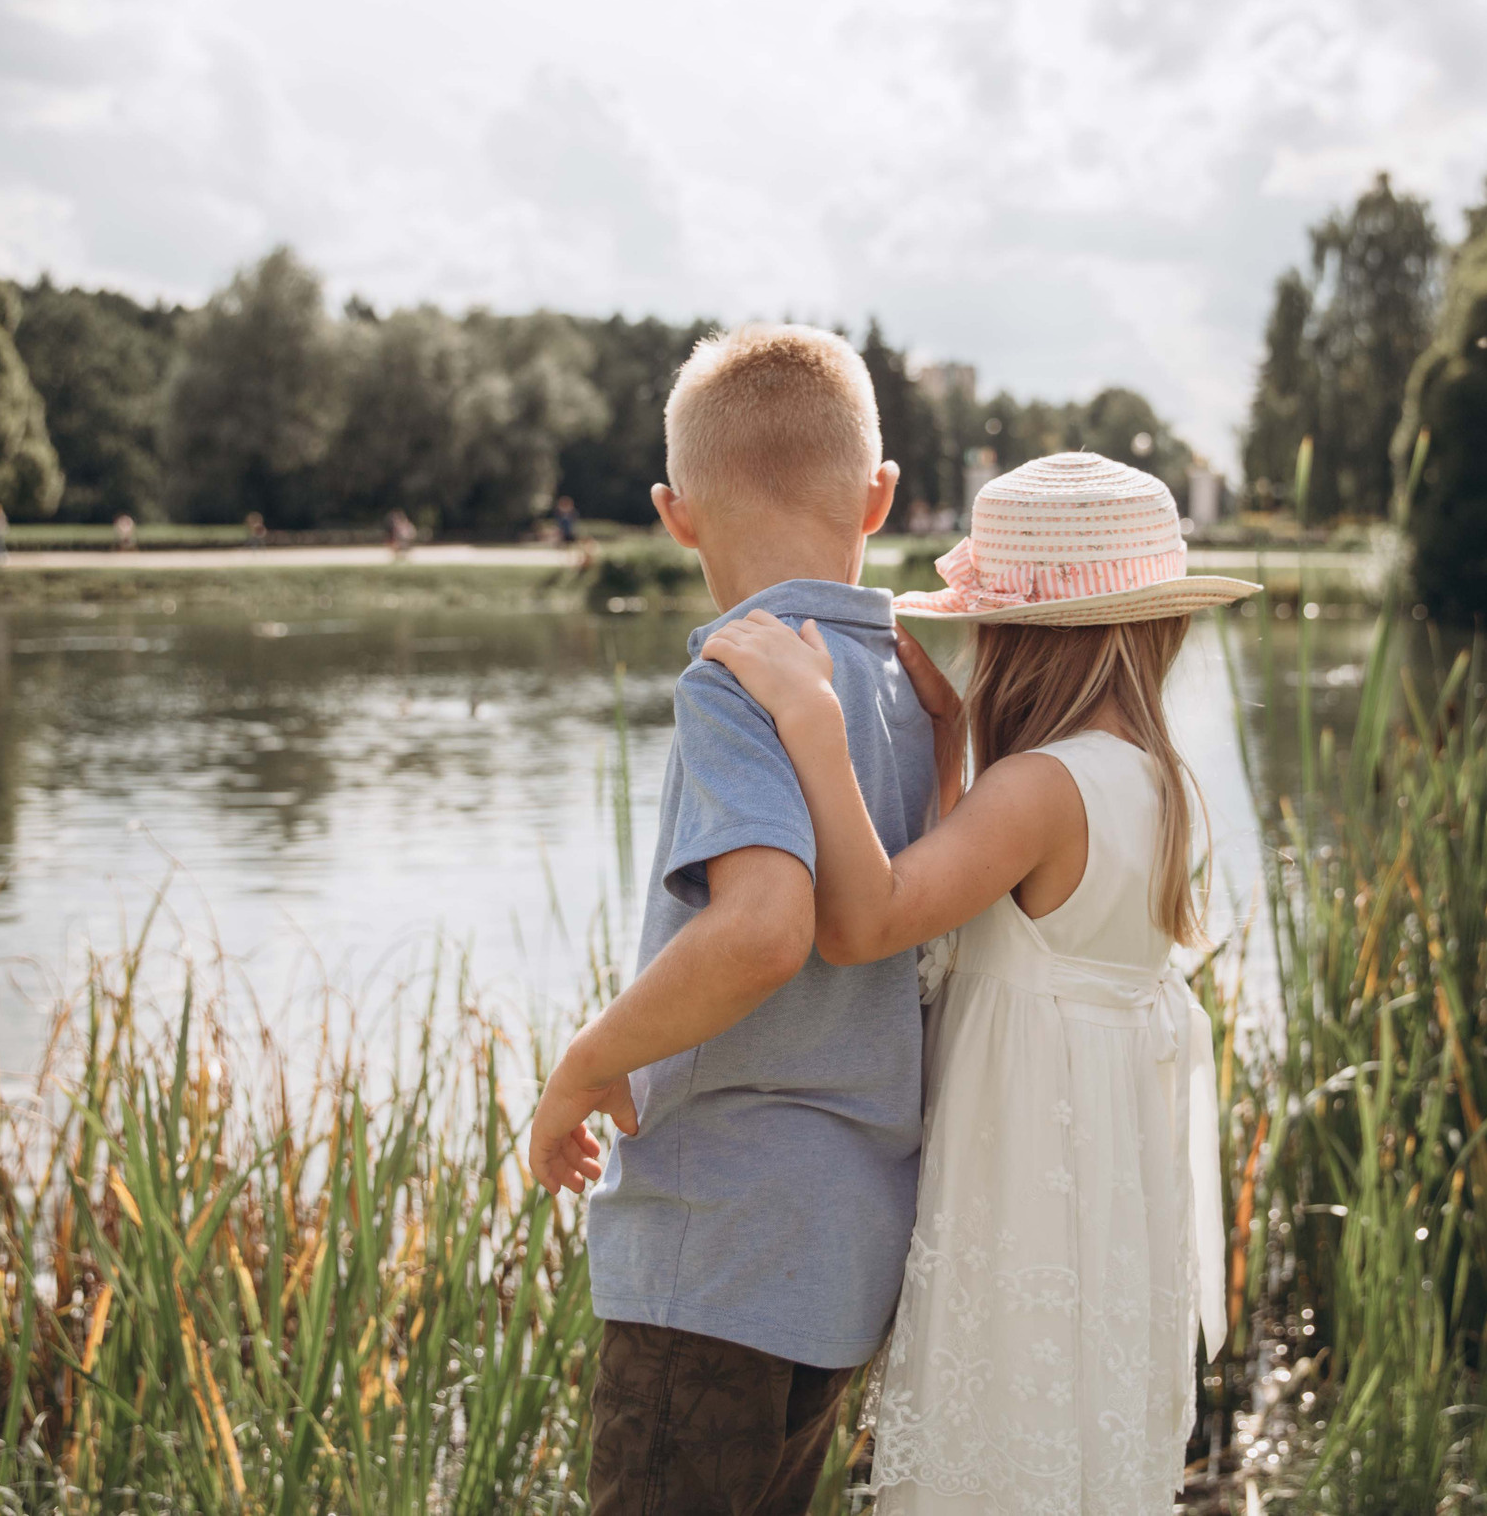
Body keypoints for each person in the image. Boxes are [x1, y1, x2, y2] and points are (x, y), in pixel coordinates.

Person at [700, 452, 1257, 1515]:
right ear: (1155, 628)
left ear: (1015, 636)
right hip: (1099, 1189)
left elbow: (866, 924)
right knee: (1068, 1443)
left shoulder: (1037, 788)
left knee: (994, 1451)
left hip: (1024, 1195)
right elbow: (1006, 910)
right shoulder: (1148, 776)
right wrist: (953, 747)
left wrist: (815, 725)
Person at [527, 324, 931, 1516]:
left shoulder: (738, 678)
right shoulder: (920, 683)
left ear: (676, 513)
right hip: (845, 1252)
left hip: (720, 1247)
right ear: (880, 496)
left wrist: (587, 1061)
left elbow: (764, 930)